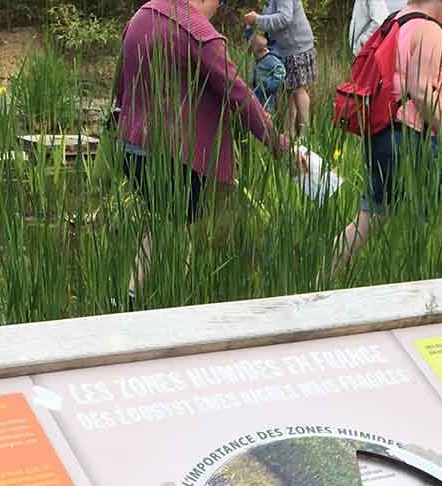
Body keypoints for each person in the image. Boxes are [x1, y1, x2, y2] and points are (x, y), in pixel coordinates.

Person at [112, 0, 302, 308]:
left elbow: (121, 83)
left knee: (164, 223)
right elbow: (240, 96)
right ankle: (189, 301)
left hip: (131, 150)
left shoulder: (141, 16)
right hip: (177, 158)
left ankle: (131, 298)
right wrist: (280, 145)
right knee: (203, 212)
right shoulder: (198, 32)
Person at [328, 0, 442, 278]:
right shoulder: (428, 27)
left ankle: (319, 285)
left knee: (367, 220)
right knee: (440, 226)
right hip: (412, 138)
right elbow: (420, 89)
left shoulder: (396, 20)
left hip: (384, 135)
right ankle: (430, 300)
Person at [244, 0, 316, 137]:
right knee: (290, 91)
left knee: (298, 90)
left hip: (297, 46)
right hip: (284, 48)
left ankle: (305, 136)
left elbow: (284, 18)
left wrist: (257, 19)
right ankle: (289, 134)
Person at [246, 29, 288, 114]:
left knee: (266, 114)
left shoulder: (270, 59)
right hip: (257, 93)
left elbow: (281, 71)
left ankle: (268, 126)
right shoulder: (257, 60)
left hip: (266, 95)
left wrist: (271, 86)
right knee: (258, 113)